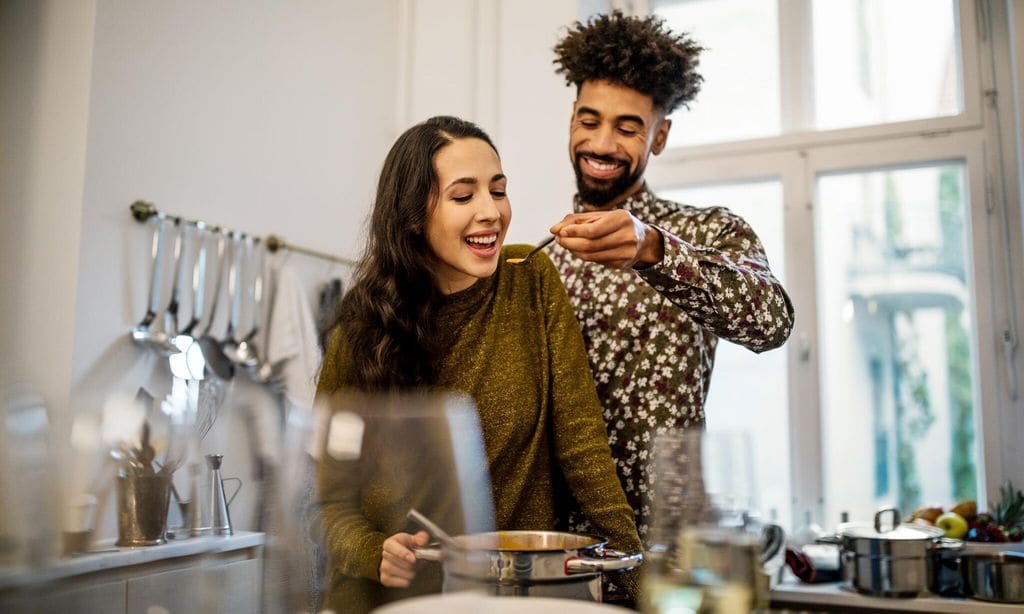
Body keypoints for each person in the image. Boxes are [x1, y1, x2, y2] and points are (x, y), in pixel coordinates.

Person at [314, 116, 641, 613]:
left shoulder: (531, 278)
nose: (491, 212)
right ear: (411, 214)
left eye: (499, 190)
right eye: (463, 196)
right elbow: (327, 501)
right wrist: (371, 551)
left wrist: (637, 574)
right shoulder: (362, 325)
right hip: (389, 603)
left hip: (507, 599)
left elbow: (583, 446)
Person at [547, 12, 795, 543]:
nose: (602, 144)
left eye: (628, 127)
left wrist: (654, 249)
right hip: (560, 551)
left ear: (659, 137)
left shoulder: (709, 231)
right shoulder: (541, 262)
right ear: (572, 120)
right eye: (589, 121)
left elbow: (772, 321)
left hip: (671, 546)